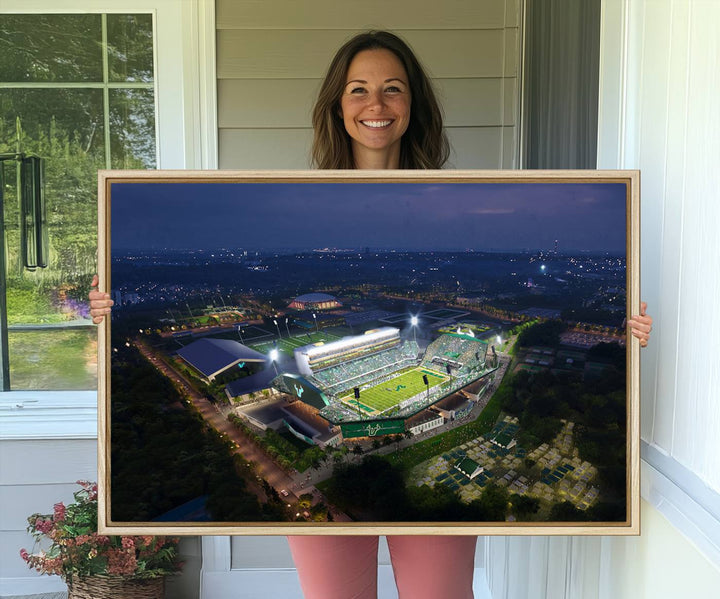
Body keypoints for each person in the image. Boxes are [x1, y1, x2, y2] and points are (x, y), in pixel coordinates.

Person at [90, 30, 653, 599]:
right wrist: (108, 308)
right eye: (358, 89)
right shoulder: (299, 203)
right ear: (338, 104)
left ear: (413, 105)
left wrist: (626, 335)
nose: (376, 105)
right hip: (342, 451)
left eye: (393, 89)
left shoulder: (453, 198)